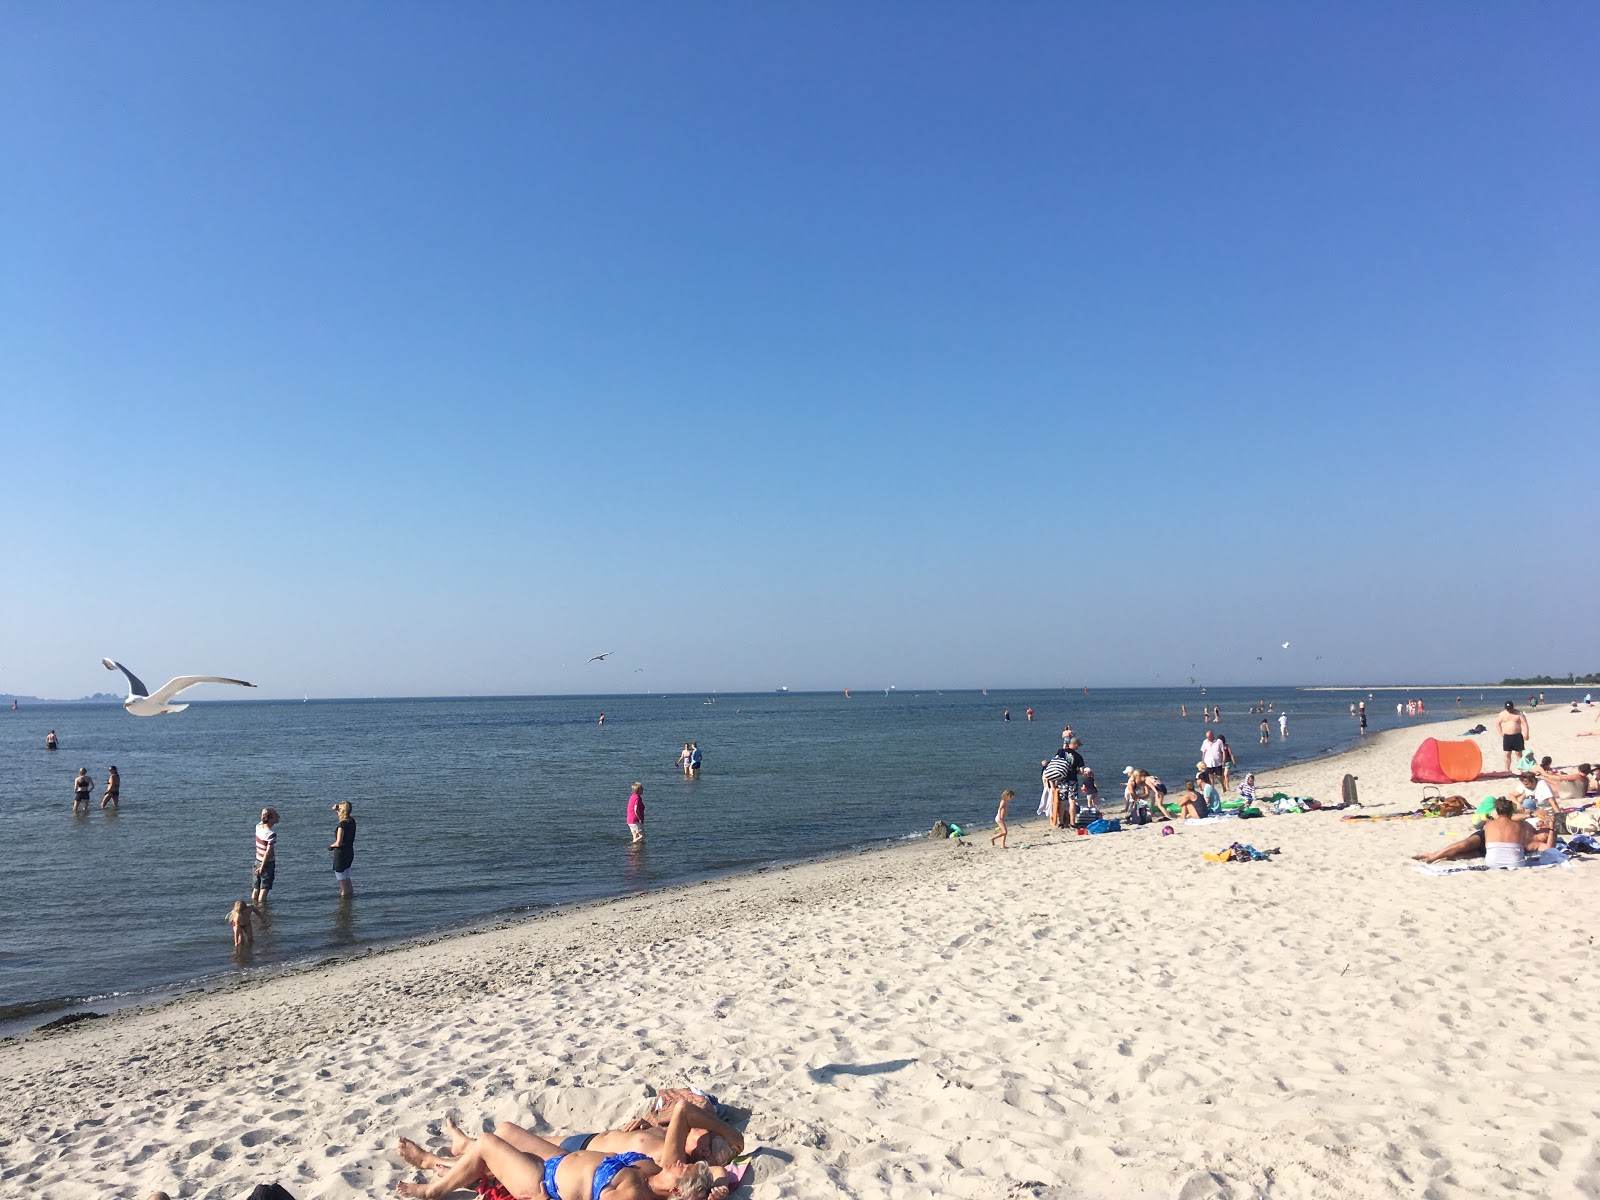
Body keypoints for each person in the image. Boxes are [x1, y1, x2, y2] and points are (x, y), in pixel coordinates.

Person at [393, 1101, 725, 1200]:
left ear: (678, 1189)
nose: (681, 1161)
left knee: (488, 1144)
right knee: (506, 1130)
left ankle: (430, 1190)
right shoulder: (656, 1170)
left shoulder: (634, 1195)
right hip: (560, 1160)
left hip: (544, 1181)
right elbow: (721, 1172)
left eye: (685, 1167)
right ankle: (444, 1162)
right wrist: (718, 1187)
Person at [1413, 796, 1556, 866]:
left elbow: (1549, 847)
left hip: (1495, 843)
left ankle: (1442, 858)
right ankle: (1434, 856)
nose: (1543, 828)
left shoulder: (1534, 842)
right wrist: (1533, 816)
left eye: (1546, 832)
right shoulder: (1530, 825)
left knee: (1466, 852)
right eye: (1544, 828)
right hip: (1494, 835)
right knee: (1465, 845)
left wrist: (1551, 829)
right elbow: (1510, 817)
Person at [329, 801, 357, 898]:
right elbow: (343, 815)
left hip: (341, 854)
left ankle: (344, 902)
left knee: (341, 881)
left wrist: (331, 846)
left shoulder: (342, 826)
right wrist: (337, 809)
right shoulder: (352, 821)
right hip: (349, 852)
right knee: (347, 878)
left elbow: (338, 843)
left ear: (342, 811)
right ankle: (350, 898)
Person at [252, 808, 280, 905]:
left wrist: (266, 811)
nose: (279, 817)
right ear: (270, 819)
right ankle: (262, 908)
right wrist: (262, 867)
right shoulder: (271, 834)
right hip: (267, 863)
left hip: (257, 861)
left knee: (256, 888)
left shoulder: (258, 827)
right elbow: (268, 852)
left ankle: (254, 905)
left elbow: (263, 814)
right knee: (264, 888)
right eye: (276, 815)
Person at [1497, 701, 1531, 772]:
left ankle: (1520, 769)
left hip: (1517, 736)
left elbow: (1525, 723)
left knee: (1518, 753)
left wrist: (1526, 734)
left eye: (1510, 708)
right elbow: (1498, 723)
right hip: (1507, 736)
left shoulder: (1519, 713)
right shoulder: (1502, 714)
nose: (1509, 710)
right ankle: (1507, 770)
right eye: (1508, 709)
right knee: (1507, 754)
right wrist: (1501, 733)